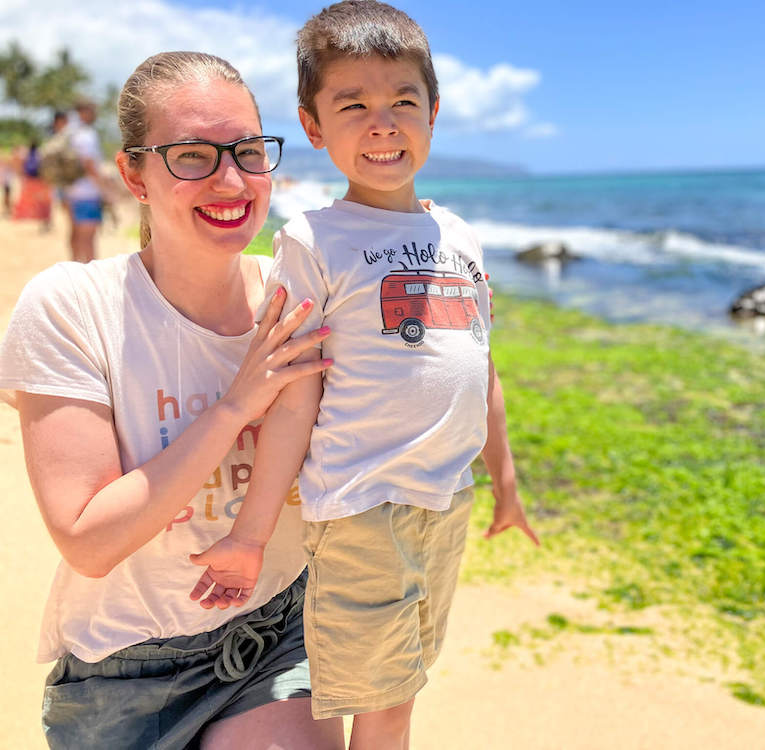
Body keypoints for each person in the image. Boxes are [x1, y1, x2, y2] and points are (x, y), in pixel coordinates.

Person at [190, 2, 540, 747]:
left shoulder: (460, 235)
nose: (382, 123)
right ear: (313, 128)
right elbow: (293, 396)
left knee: (404, 690)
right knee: (381, 706)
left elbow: (480, 371)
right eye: (353, 105)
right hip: (362, 508)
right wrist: (251, 534)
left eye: (402, 102)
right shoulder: (314, 240)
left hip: (447, 500)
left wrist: (505, 484)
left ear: (434, 113)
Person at [0, 51, 344, 749]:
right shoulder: (74, 307)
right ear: (134, 174)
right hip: (125, 676)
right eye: (193, 155)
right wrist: (232, 408)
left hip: (277, 634)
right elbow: (90, 540)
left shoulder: (299, 296)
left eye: (248, 152)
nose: (230, 179)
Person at [64, 99, 106, 262]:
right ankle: (89, 276)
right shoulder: (87, 134)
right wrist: (103, 187)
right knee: (89, 237)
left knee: (75, 233)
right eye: (92, 110)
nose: (95, 114)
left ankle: (74, 268)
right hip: (87, 193)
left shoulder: (69, 132)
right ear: (84, 112)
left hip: (70, 191)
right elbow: (89, 164)